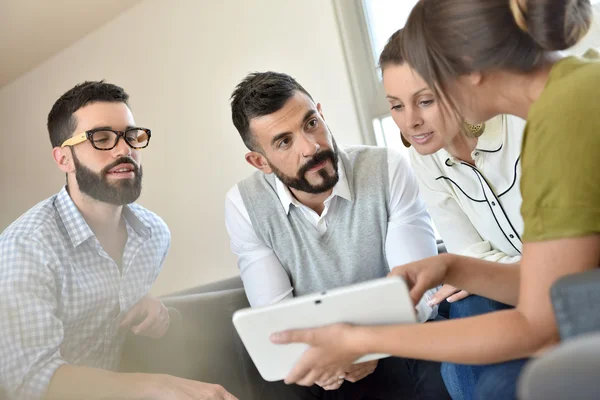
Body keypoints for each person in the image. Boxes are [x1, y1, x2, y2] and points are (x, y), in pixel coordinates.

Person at [271, 1, 600, 399]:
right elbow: (550, 287)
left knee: (501, 385)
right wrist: (451, 265)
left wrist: (360, 340)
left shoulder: (563, 119)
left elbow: (537, 322)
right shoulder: (576, 87)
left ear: (469, 67)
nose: (419, 114)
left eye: (433, 81)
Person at [0, 81, 237, 400]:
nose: (124, 149)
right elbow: (29, 380)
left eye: (130, 136)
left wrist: (154, 310)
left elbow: (112, 311)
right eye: (101, 138)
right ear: (63, 159)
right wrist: (156, 386)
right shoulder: (25, 247)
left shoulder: (154, 234)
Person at [225, 71, 450, 399]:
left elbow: (417, 292)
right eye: (284, 141)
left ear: (321, 114)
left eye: (311, 123)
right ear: (260, 161)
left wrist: (362, 345)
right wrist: (337, 356)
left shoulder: (388, 168)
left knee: (437, 362)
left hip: (402, 341)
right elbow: (276, 317)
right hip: (322, 358)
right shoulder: (244, 205)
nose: (311, 147)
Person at [377, 28, 527, 399]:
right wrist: (481, 270)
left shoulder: (521, 125)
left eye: (424, 101)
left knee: (470, 301)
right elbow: (468, 251)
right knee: (465, 306)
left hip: (576, 277)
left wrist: (482, 270)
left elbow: (565, 256)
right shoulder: (424, 158)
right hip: (514, 286)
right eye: (396, 105)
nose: (410, 122)